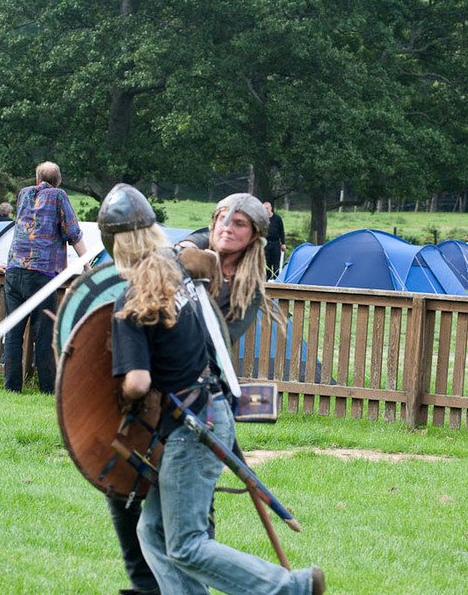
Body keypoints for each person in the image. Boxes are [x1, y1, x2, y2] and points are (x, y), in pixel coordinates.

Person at [99, 183, 325, 595]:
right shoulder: (178, 272)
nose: (227, 229)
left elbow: (140, 379)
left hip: (195, 417)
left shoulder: (148, 291)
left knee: (186, 543)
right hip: (198, 411)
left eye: (239, 224)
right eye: (222, 220)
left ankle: (290, 588)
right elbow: (192, 250)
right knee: (155, 535)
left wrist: (126, 391)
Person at [4, 161, 87, 394]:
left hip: (13, 270)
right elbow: (73, 232)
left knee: (14, 333)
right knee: (43, 333)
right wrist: (87, 266)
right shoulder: (59, 195)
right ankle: (48, 389)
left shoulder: (23, 194)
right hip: (40, 273)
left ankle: (12, 388)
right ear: (58, 180)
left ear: (36, 178)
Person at [263, 200, 286, 280]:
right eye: (264, 209)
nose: (266, 210)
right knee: (267, 264)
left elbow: (281, 231)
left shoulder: (277, 218)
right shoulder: (262, 220)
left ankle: (277, 280)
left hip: (275, 243)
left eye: (267, 208)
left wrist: (283, 243)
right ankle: (268, 281)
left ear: (271, 208)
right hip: (265, 244)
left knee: (276, 264)